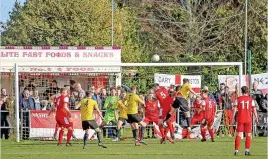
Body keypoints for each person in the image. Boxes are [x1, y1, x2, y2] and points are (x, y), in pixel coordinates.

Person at [232, 86, 258, 156]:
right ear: (247, 91)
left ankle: (236, 151)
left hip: (240, 119)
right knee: (248, 135)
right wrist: (256, 118)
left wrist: (232, 118)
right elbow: (254, 110)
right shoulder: (251, 99)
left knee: (239, 135)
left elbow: (234, 109)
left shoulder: (238, 99)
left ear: (241, 91)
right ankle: (247, 151)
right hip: (248, 119)